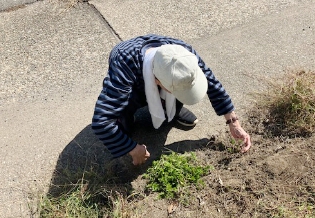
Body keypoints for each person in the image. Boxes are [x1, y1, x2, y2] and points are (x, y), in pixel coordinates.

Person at [92, 34, 251, 165]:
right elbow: (101, 122)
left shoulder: (183, 54)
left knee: (177, 90)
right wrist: (132, 148)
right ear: (158, 82)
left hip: (155, 74)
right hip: (133, 77)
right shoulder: (124, 66)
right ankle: (125, 117)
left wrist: (233, 122)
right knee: (125, 112)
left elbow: (212, 83)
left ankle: (171, 110)